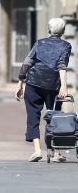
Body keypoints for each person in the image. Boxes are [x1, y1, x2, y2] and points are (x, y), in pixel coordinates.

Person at [15, 18, 71, 163]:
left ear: (48, 29)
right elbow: (62, 66)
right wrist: (64, 86)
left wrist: (20, 83)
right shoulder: (66, 45)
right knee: (55, 116)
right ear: (63, 31)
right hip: (53, 86)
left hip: (33, 83)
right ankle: (57, 153)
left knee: (33, 115)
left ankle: (37, 150)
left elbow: (27, 62)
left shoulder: (39, 43)